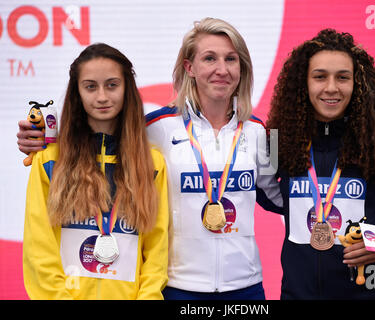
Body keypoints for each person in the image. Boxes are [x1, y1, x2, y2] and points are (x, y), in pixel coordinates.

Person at [18, 18, 282, 300]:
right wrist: (42, 138)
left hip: (247, 287)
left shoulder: (264, 133)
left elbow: (279, 194)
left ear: (242, 67)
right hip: (179, 288)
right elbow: (103, 135)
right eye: (209, 58)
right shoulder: (156, 128)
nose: (222, 69)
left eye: (231, 59)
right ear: (189, 67)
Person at [266, 29, 375, 299]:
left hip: (369, 292)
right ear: (303, 84)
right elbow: (262, 190)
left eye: (343, 77)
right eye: (320, 77)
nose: (331, 87)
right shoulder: (278, 141)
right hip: (298, 294)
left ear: (357, 84)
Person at [23, 43, 169, 299]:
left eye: (112, 85)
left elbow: (157, 251)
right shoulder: (49, 160)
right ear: (77, 93)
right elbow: (39, 249)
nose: (102, 96)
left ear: (127, 90)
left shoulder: (152, 164)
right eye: (90, 86)